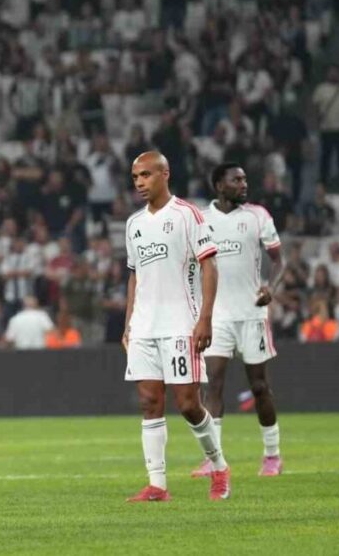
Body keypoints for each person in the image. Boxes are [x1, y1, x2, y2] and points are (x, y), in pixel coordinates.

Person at [123, 151, 229, 502]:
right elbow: (134, 275)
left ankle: (218, 465)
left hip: (180, 324)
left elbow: (209, 267)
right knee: (149, 402)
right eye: (136, 176)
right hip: (144, 327)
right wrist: (128, 325)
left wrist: (206, 318)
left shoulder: (188, 215)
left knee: (187, 404)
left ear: (164, 174)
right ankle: (158, 485)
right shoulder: (133, 224)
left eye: (146, 175)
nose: (139, 182)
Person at [197, 163, 285, 479]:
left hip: (251, 314)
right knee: (214, 385)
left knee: (259, 386)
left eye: (245, 178)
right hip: (217, 315)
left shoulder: (257, 216)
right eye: (236, 179)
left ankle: (272, 455)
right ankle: (214, 459)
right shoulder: (200, 220)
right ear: (219, 185)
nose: (243, 184)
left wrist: (270, 288)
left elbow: (278, 260)